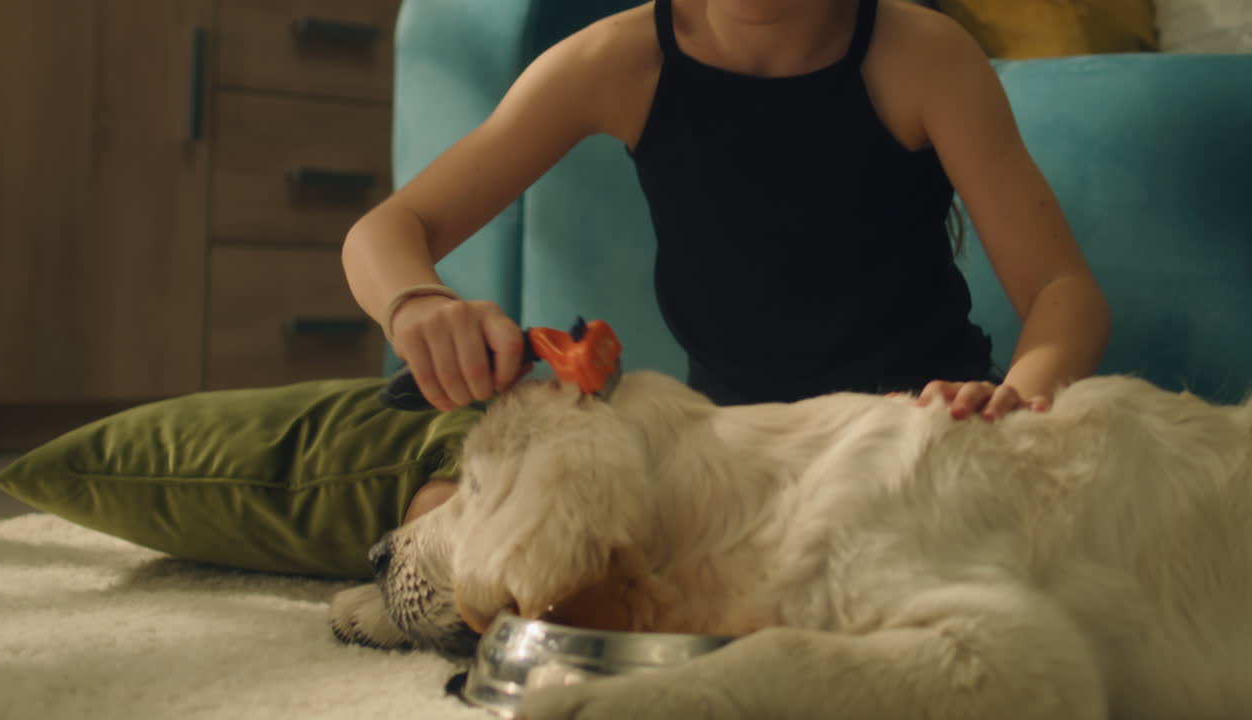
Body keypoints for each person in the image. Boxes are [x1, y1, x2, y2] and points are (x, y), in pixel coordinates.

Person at [343, 0, 1110, 483]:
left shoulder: (925, 55)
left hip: (923, 443)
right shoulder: (618, 60)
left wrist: (1015, 397)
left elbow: (1061, 291)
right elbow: (388, 229)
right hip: (732, 456)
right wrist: (416, 302)